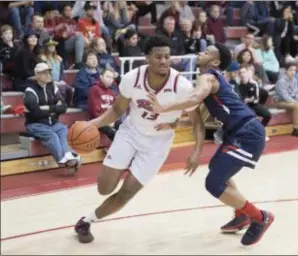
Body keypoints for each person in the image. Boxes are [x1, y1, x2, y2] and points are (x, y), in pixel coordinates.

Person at [74, 35, 205, 243]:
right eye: (158, 57)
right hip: (130, 134)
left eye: (167, 57)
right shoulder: (131, 78)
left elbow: (197, 121)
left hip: (157, 145)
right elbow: (117, 109)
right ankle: (120, 166)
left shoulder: (183, 86)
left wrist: (197, 152)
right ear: (147, 58)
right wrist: (93, 124)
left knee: (126, 194)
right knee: (104, 188)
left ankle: (87, 221)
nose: (164, 61)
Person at [148, 44, 274, 246]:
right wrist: (171, 124)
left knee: (213, 183)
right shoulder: (213, 85)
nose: (200, 53)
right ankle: (241, 213)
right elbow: (198, 119)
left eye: (206, 52)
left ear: (215, 62)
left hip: (247, 133)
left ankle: (259, 217)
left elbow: (194, 98)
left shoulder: (208, 77)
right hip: (237, 133)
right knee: (217, 170)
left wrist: (163, 107)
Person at [24, 62, 81, 173]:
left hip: (53, 124)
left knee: (63, 129)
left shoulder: (53, 87)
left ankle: (68, 155)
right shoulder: (30, 91)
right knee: (52, 136)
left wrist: (48, 108)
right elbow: (36, 113)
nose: (47, 75)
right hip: (35, 124)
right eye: (44, 73)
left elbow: (64, 107)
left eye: (49, 72)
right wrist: (55, 109)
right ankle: (63, 160)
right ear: (36, 75)